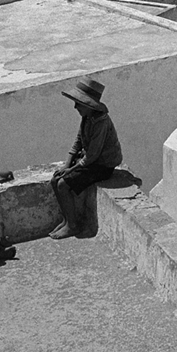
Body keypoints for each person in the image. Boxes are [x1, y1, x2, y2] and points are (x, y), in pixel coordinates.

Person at [51, 78, 122, 239]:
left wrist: (70, 170)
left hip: (103, 165)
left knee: (63, 184)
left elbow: (92, 156)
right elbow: (77, 143)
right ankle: (67, 220)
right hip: (91, 161)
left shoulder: (100, 123)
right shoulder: (87, 118)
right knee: (55, 179)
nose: (75, 107)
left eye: (79, 103)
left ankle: (72, 226)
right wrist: (66, 165)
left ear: (89, 106)